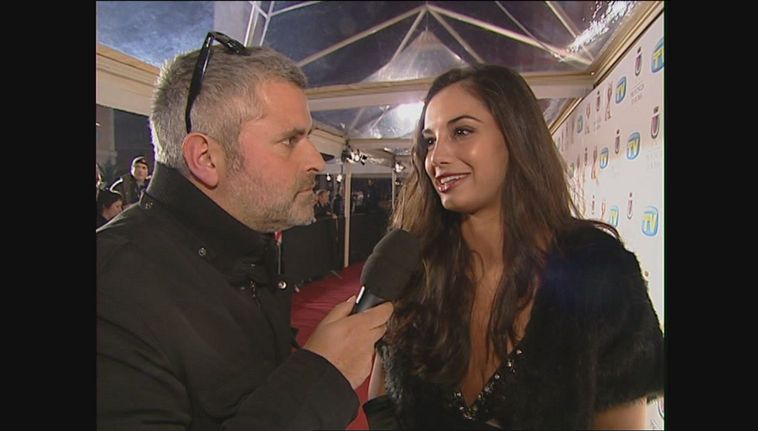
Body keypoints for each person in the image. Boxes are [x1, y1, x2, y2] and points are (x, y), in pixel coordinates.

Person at [97, 32, 393, 430]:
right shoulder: (110, 292)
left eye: (308, 137)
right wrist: (323, 374)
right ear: (206, 157)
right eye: (290, 140)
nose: (316, 161)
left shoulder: (249, 252)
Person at [365, 65, 663, 429]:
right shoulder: (414, 266)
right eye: (429, 140)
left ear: (516, 136)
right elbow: (383, 406)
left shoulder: (599, 271)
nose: (435, 158)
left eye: (461, 131)